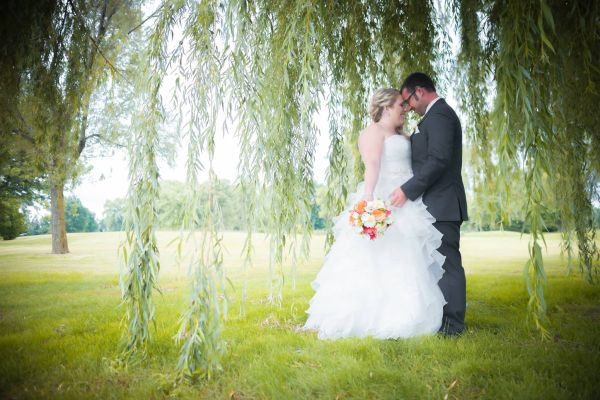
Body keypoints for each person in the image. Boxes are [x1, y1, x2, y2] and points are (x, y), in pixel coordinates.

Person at [303, 88, 446, 340]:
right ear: (386, 107)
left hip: (407, 200)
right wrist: (368, 199)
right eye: (401, 105)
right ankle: (368, 316)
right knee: (377, 258)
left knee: (408, 257)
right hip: (385, 198)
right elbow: (372, 164)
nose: (406, 109)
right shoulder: (373, 132)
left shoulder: (400, 134)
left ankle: (409, 314)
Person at [389, 72, 468, 336]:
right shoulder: (431, 118)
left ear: (419, 91)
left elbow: (438, 160)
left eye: (408, 100)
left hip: (443, 203)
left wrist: (407, 190)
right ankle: (440, 320)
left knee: (447, 264)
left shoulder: (441, 116)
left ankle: (454, 326)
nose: (408, 107)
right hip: (434, 203)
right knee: (437, 264)